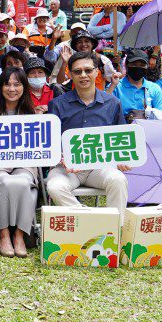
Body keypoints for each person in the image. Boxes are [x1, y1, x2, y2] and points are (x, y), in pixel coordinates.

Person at [46, 51, 129, 217]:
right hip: (66, 168)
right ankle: (90, 220)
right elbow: (51, 141)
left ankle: (115, 232)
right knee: (54, 187)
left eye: (88, 70)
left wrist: (123, 158)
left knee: (118, 180)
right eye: (77, 71)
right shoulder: (57, 104)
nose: (83, 75)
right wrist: (60, 157)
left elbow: (121, 137)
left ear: (97, 72)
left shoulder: (112, 103)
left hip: (99, 167)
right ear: (70, 74)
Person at [0, 68, 39, 257]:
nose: (12, 89)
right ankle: (3, 233)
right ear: (0, 86)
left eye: (17, 84)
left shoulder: (30, 112)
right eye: (7, 84)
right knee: (7, 181)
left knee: (25, 182)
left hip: (23, 164)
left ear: (24, 87)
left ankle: (19, 234)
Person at [112, 48, 162, 120]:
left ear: (147, 67)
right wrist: (112, 85)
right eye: (134, 64)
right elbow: (104, 109)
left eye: (142, 65)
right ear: (126, 66)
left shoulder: (154, 88)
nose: (138, 68)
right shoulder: (116, 86)